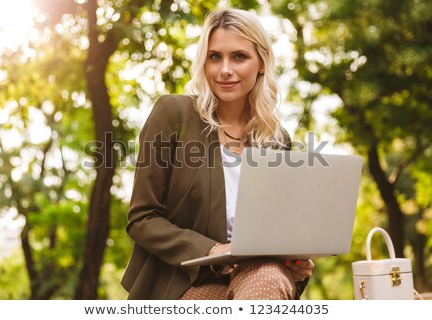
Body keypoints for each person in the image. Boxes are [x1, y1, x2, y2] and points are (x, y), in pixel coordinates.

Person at [121, 8, 314, 300]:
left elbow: (276, 228)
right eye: (215, 57)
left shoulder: (277, 140)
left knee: (268, 278)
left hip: (259, 272)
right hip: (186, 281)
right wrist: (213, 251)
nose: (225, 69)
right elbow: (143, 218)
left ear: (261, 63)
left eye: (239, 56)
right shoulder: (174, 114)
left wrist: (294, 260)